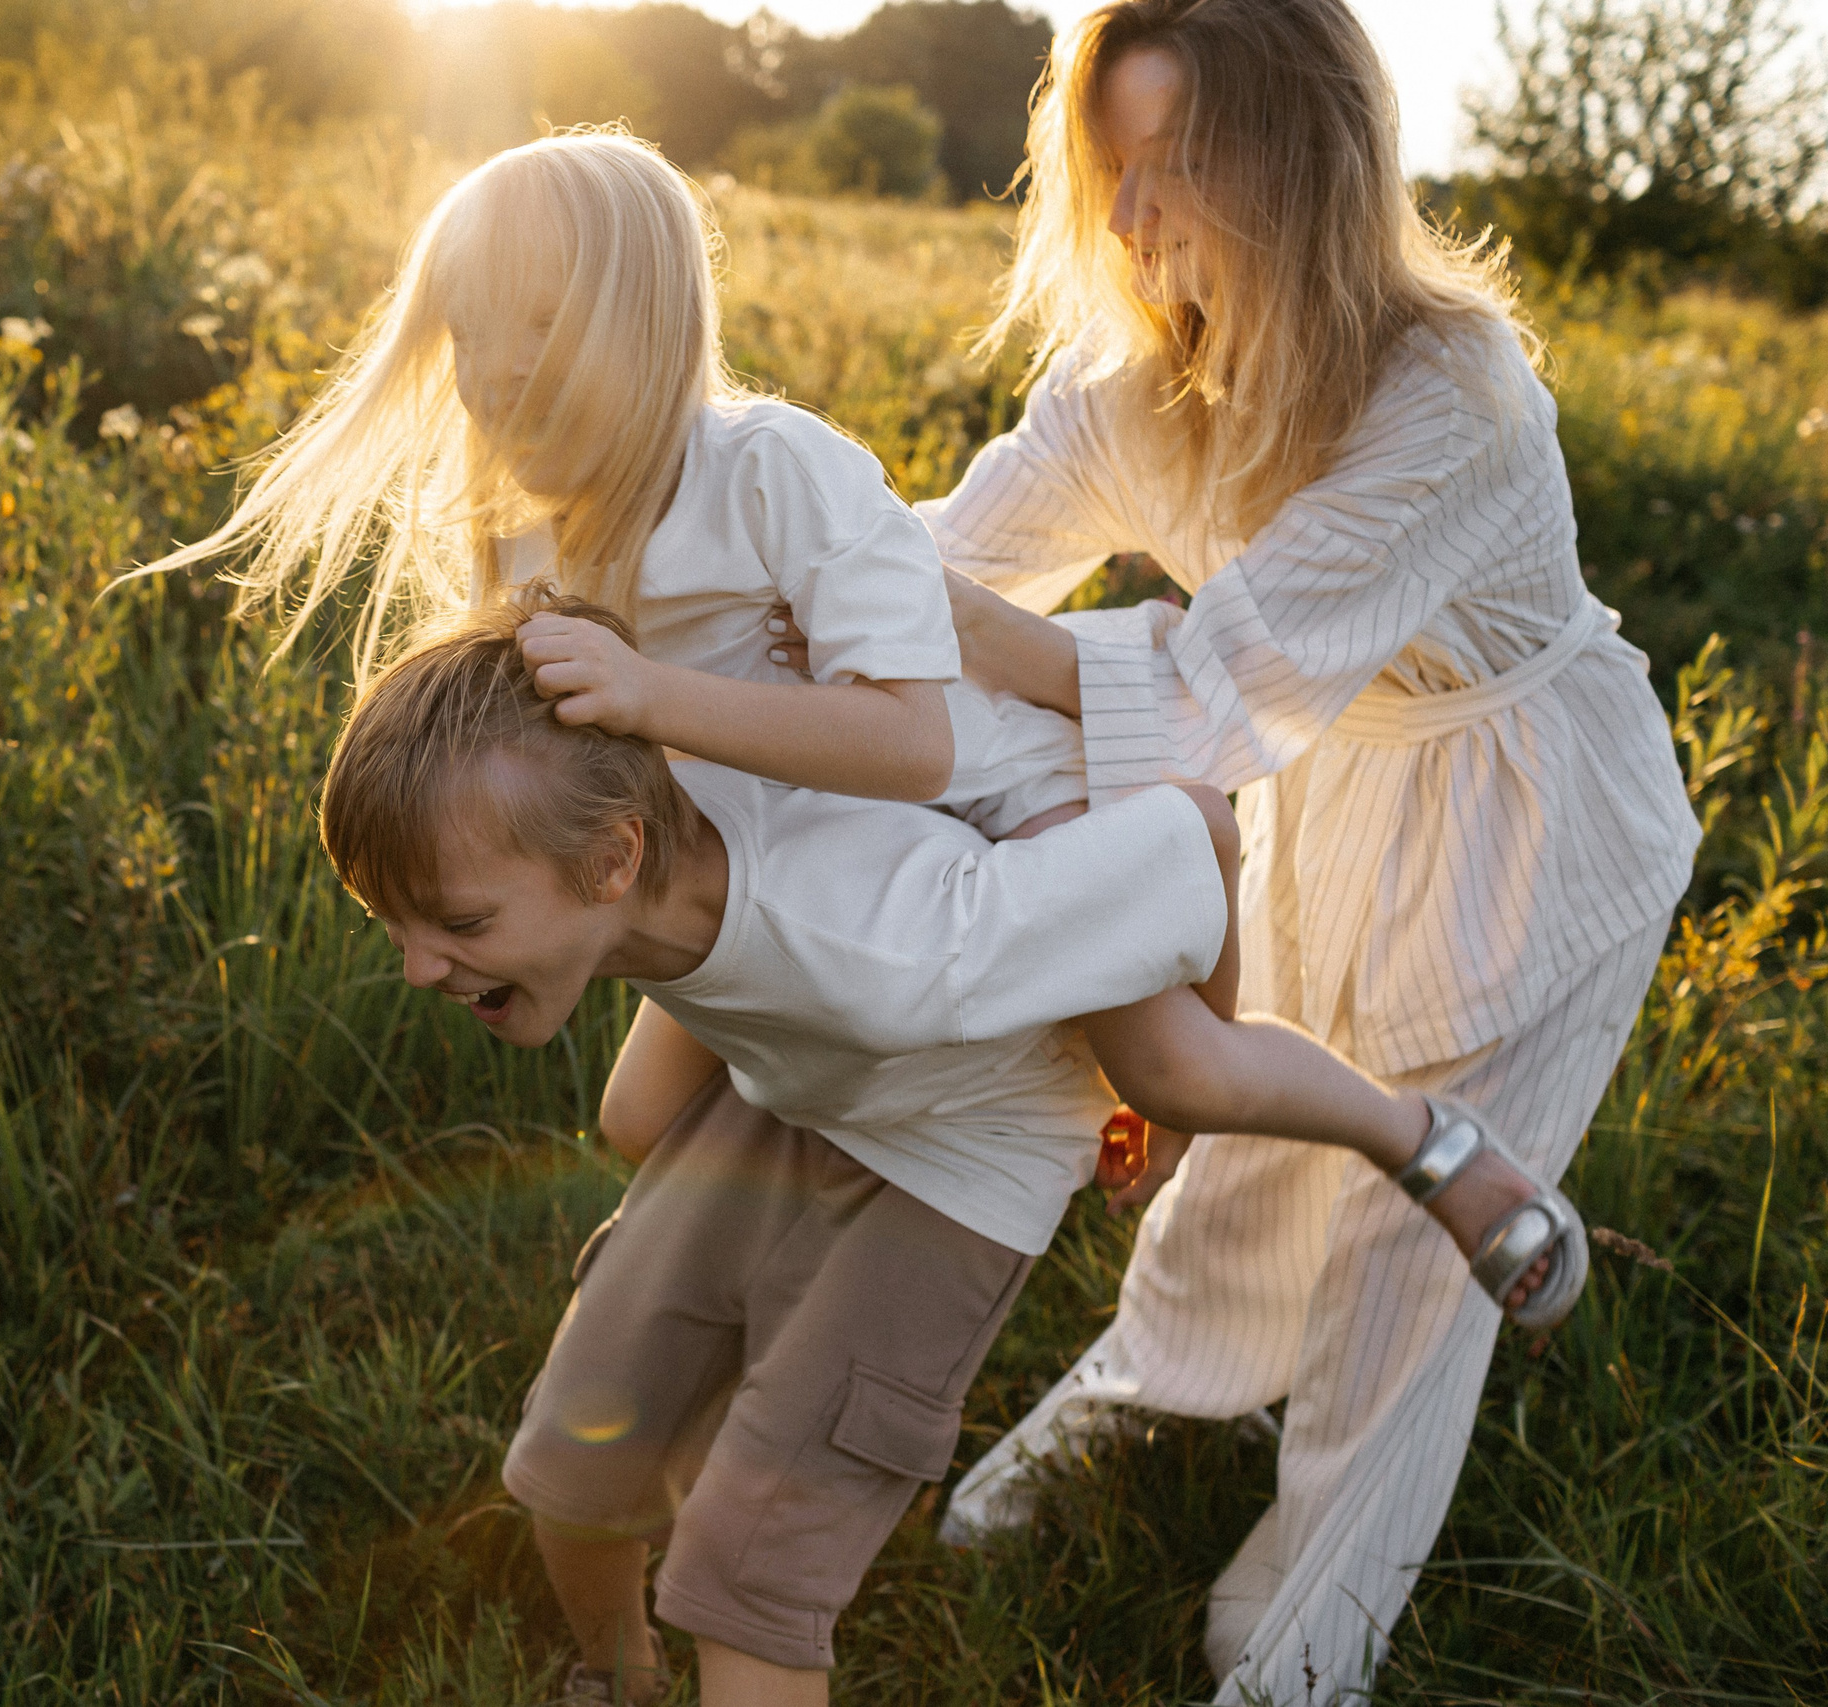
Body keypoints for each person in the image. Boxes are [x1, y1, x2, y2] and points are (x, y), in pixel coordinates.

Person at [141, 125, 1585, 1318]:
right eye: (470, 330)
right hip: (784, 854)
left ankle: (1411, 1128)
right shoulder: (522, 536)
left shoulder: (767, 470)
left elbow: (914, 744)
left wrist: (658, 695)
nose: (497, 366)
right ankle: (710, 1283)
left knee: (1171, 1072)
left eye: (539, 322)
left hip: (987, 791)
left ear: (645, 326)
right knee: (637, 1122)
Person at [315, 591, 1594, 1707]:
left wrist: (1165, 1083)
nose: (418, 967)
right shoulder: (635, 790)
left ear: (613, 864)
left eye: (456, 925)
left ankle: (1421, 1141)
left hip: (966, 1146)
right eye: (396, 926)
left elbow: (1187, 835)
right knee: (572, 1461)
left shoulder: (901, 948)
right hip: (806, 1081)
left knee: (748, 1575)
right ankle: (617, 1676)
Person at [870, 0, 1701, 1696]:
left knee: (1404, 1254)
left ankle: (1308, 1636)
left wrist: (944, 623)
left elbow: (1207, 688)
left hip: (1533, 813)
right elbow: (946, 561)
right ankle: (1142, 1407)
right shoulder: (1135, 383)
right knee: (1249, 1164)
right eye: (1111, 166)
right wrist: (726, 589)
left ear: (1297, 162)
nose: (1126, 218)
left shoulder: (1450, 387)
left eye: (1173, 165)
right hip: (1323, 797)